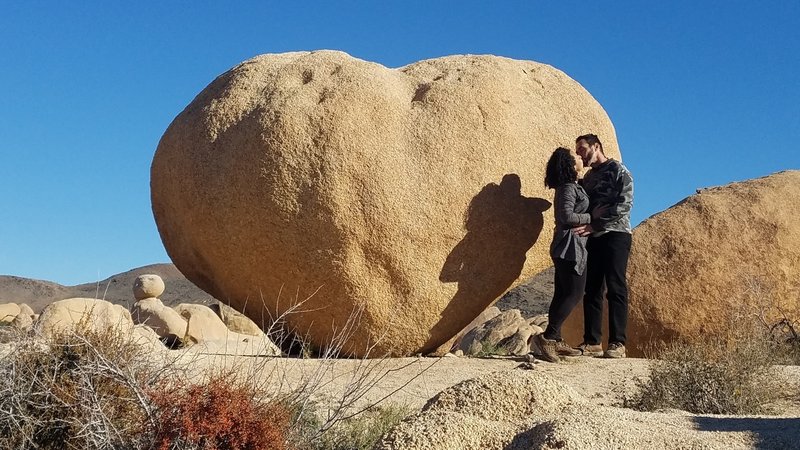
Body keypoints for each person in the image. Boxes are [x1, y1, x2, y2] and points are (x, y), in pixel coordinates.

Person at [572, 134, 634, 358]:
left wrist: (595, 224)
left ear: (596, 146)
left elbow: (624, 205)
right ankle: (592, 342)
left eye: (582, 149)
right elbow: (583, 205)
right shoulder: (589, 178)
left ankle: (618, 343)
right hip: (595, 237)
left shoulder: (618, 170)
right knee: (592, 289)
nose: (580, 154)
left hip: (616, 235)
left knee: (616, 287)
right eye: (578, 151)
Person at [535, 147, 591, 363]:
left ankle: (556, 339)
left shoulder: (573, 186)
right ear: (569, 164)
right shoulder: (568, 188)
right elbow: (565, 215)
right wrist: (591, 217)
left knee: (562, 293)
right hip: (569, 246)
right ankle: (548, 336)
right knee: (575, 292)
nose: (579, 157)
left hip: (569, 246)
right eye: (575, 156)